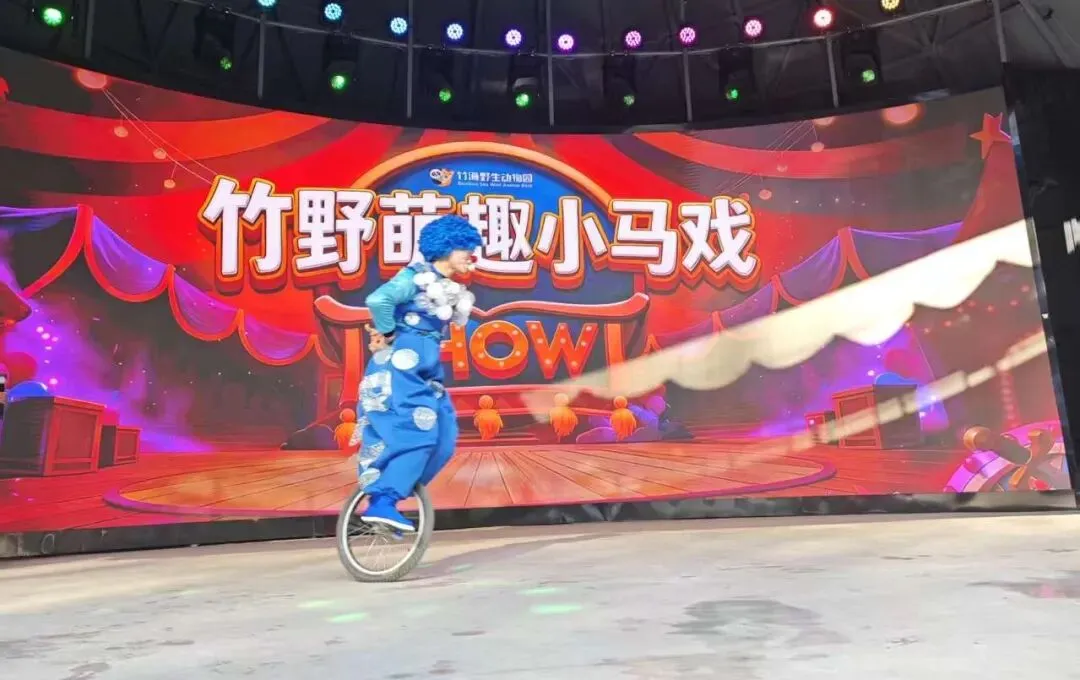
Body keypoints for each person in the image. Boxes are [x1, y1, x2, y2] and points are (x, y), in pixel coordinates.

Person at [351, 214, 482, 532]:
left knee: (445, 438)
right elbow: (379, 299)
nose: (471, 256)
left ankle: (392, 495)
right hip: (401, 369)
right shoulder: (414, 277)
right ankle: (383, 500)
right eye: (466, 248)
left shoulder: (446, 287)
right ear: (446, 247)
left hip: (426, 369)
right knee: (417, 433)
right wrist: (388, 331)